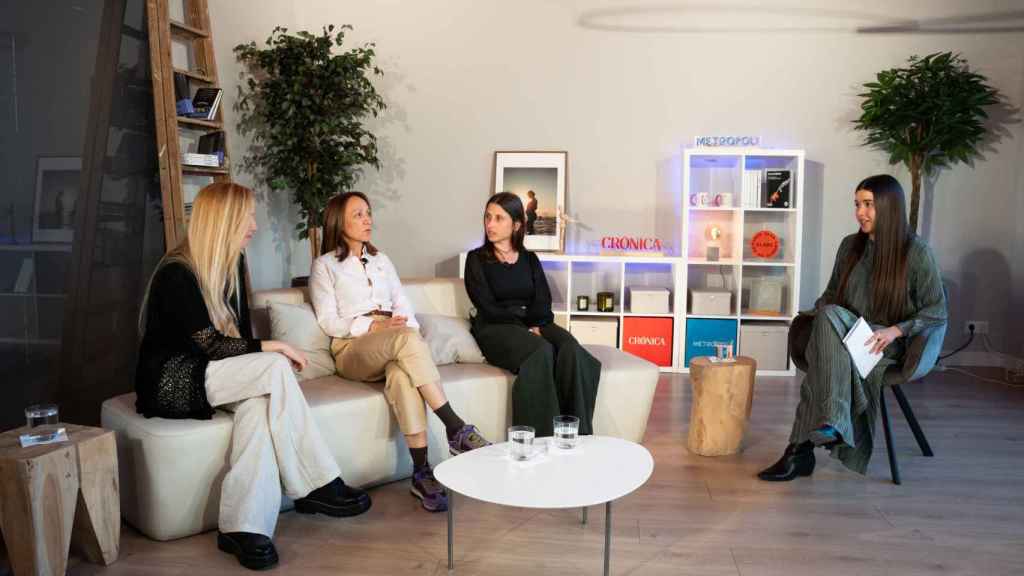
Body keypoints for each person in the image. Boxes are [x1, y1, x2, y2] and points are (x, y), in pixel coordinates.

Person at [135, 182, 370, 571]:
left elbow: (238, 341)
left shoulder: (232, 265)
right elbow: (210, 345)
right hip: (174, 380)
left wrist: (262, 349)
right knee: (275, 366)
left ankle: (243, 528)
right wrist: (272, 347)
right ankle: (315, 483)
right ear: (224, 220)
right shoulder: (177, 273)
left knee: (260, 407)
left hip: (218, 376)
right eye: (248, 217)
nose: (254, 226)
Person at [310, 192, 490, 513]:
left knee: (402, 374)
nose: (368, 220)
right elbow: (329, 321)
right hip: (352, 349)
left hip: (394, 339)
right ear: (339, 222)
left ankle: (420, 472)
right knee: (405, 340)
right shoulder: (324, 266)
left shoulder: (382, 260)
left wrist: (404, 331)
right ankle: (454, 427)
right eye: (358, 215)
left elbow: (401, 303)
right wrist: (372, 327)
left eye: (368, 213)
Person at [758, 174, 947, 481]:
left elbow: (937, 311)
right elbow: (831, 296)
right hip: (843, 338)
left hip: (882, 344)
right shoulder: (850, 246)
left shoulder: (916, 252)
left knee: (828, 331)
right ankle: (815, 438)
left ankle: (800, 452)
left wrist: (895, 331)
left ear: (889, 207)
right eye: (857, 204)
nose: (861, 212)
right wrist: (815, 320)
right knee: (828, 327)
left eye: (869, 204)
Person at [464, 192, 601, 437]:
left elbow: (542, 300)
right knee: (540, 350)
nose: (490, 224)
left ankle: (576, 434)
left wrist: (535, 324)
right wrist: (524, 327)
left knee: (570, 347)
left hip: (532, 321)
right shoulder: (476, 259)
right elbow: (486, 305)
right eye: (487, 217)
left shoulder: (530, 259)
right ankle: (539, 439)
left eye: (498, 218)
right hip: (495, 326)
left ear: (516, 224)